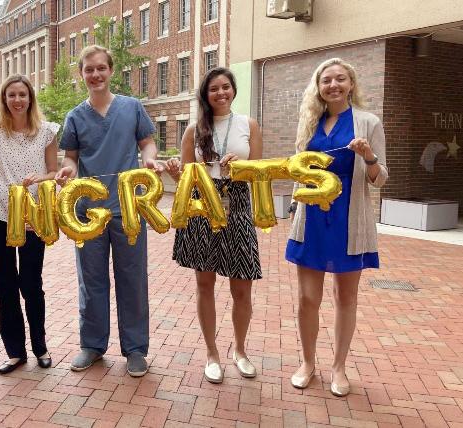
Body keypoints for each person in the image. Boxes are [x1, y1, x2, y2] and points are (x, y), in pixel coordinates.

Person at [55, 45, 162, 377]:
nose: (96, 75)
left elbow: (146, 143)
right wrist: (68, 170)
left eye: (101, 68)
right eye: (89, 70)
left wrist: (149, 159)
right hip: (89, 213)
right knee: (92, 280)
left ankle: (135, 349)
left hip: (128, 208)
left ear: (111, 71)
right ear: (82, 74)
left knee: (132, 279)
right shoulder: (75, 116)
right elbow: (70, 156)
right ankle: (92, 345)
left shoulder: (131, 108)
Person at [285, 58, 388, 397]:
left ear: (351, 83)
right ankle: (308, 363)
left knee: (345, 296)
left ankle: (339, 368)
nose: (333, 85)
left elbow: (379, 180)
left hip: (349, 218)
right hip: (312, 218)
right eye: (326, 80)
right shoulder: (309, 121)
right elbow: (297, 170)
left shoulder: (367, 122)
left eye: (340, 79)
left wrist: (369, 156)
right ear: (318, 86)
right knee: (306, 299)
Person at [165, 67, 263, 384]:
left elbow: (259, 174)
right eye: (213, 89)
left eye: (225, 87)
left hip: (238, 204)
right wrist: (174, 172)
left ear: (233, 90)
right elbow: (185, 180)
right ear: (205, 95)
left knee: (242, 287)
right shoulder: (194, 130)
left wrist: (242, 167)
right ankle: (211, 353)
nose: (220, 93)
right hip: (201, 204)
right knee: (204, 284)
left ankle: (240, 351)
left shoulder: (249, 125)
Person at [0, 74, 58, 374]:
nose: (17, 100)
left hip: (33, 216)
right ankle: (14, 351)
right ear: (4, 99)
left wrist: (41, 178)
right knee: (5, 284)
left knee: (32, 284)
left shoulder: (47, 131)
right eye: (12, 95)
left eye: (23, 94)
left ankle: (40, 346)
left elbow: (53, 172)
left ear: (30, 98)